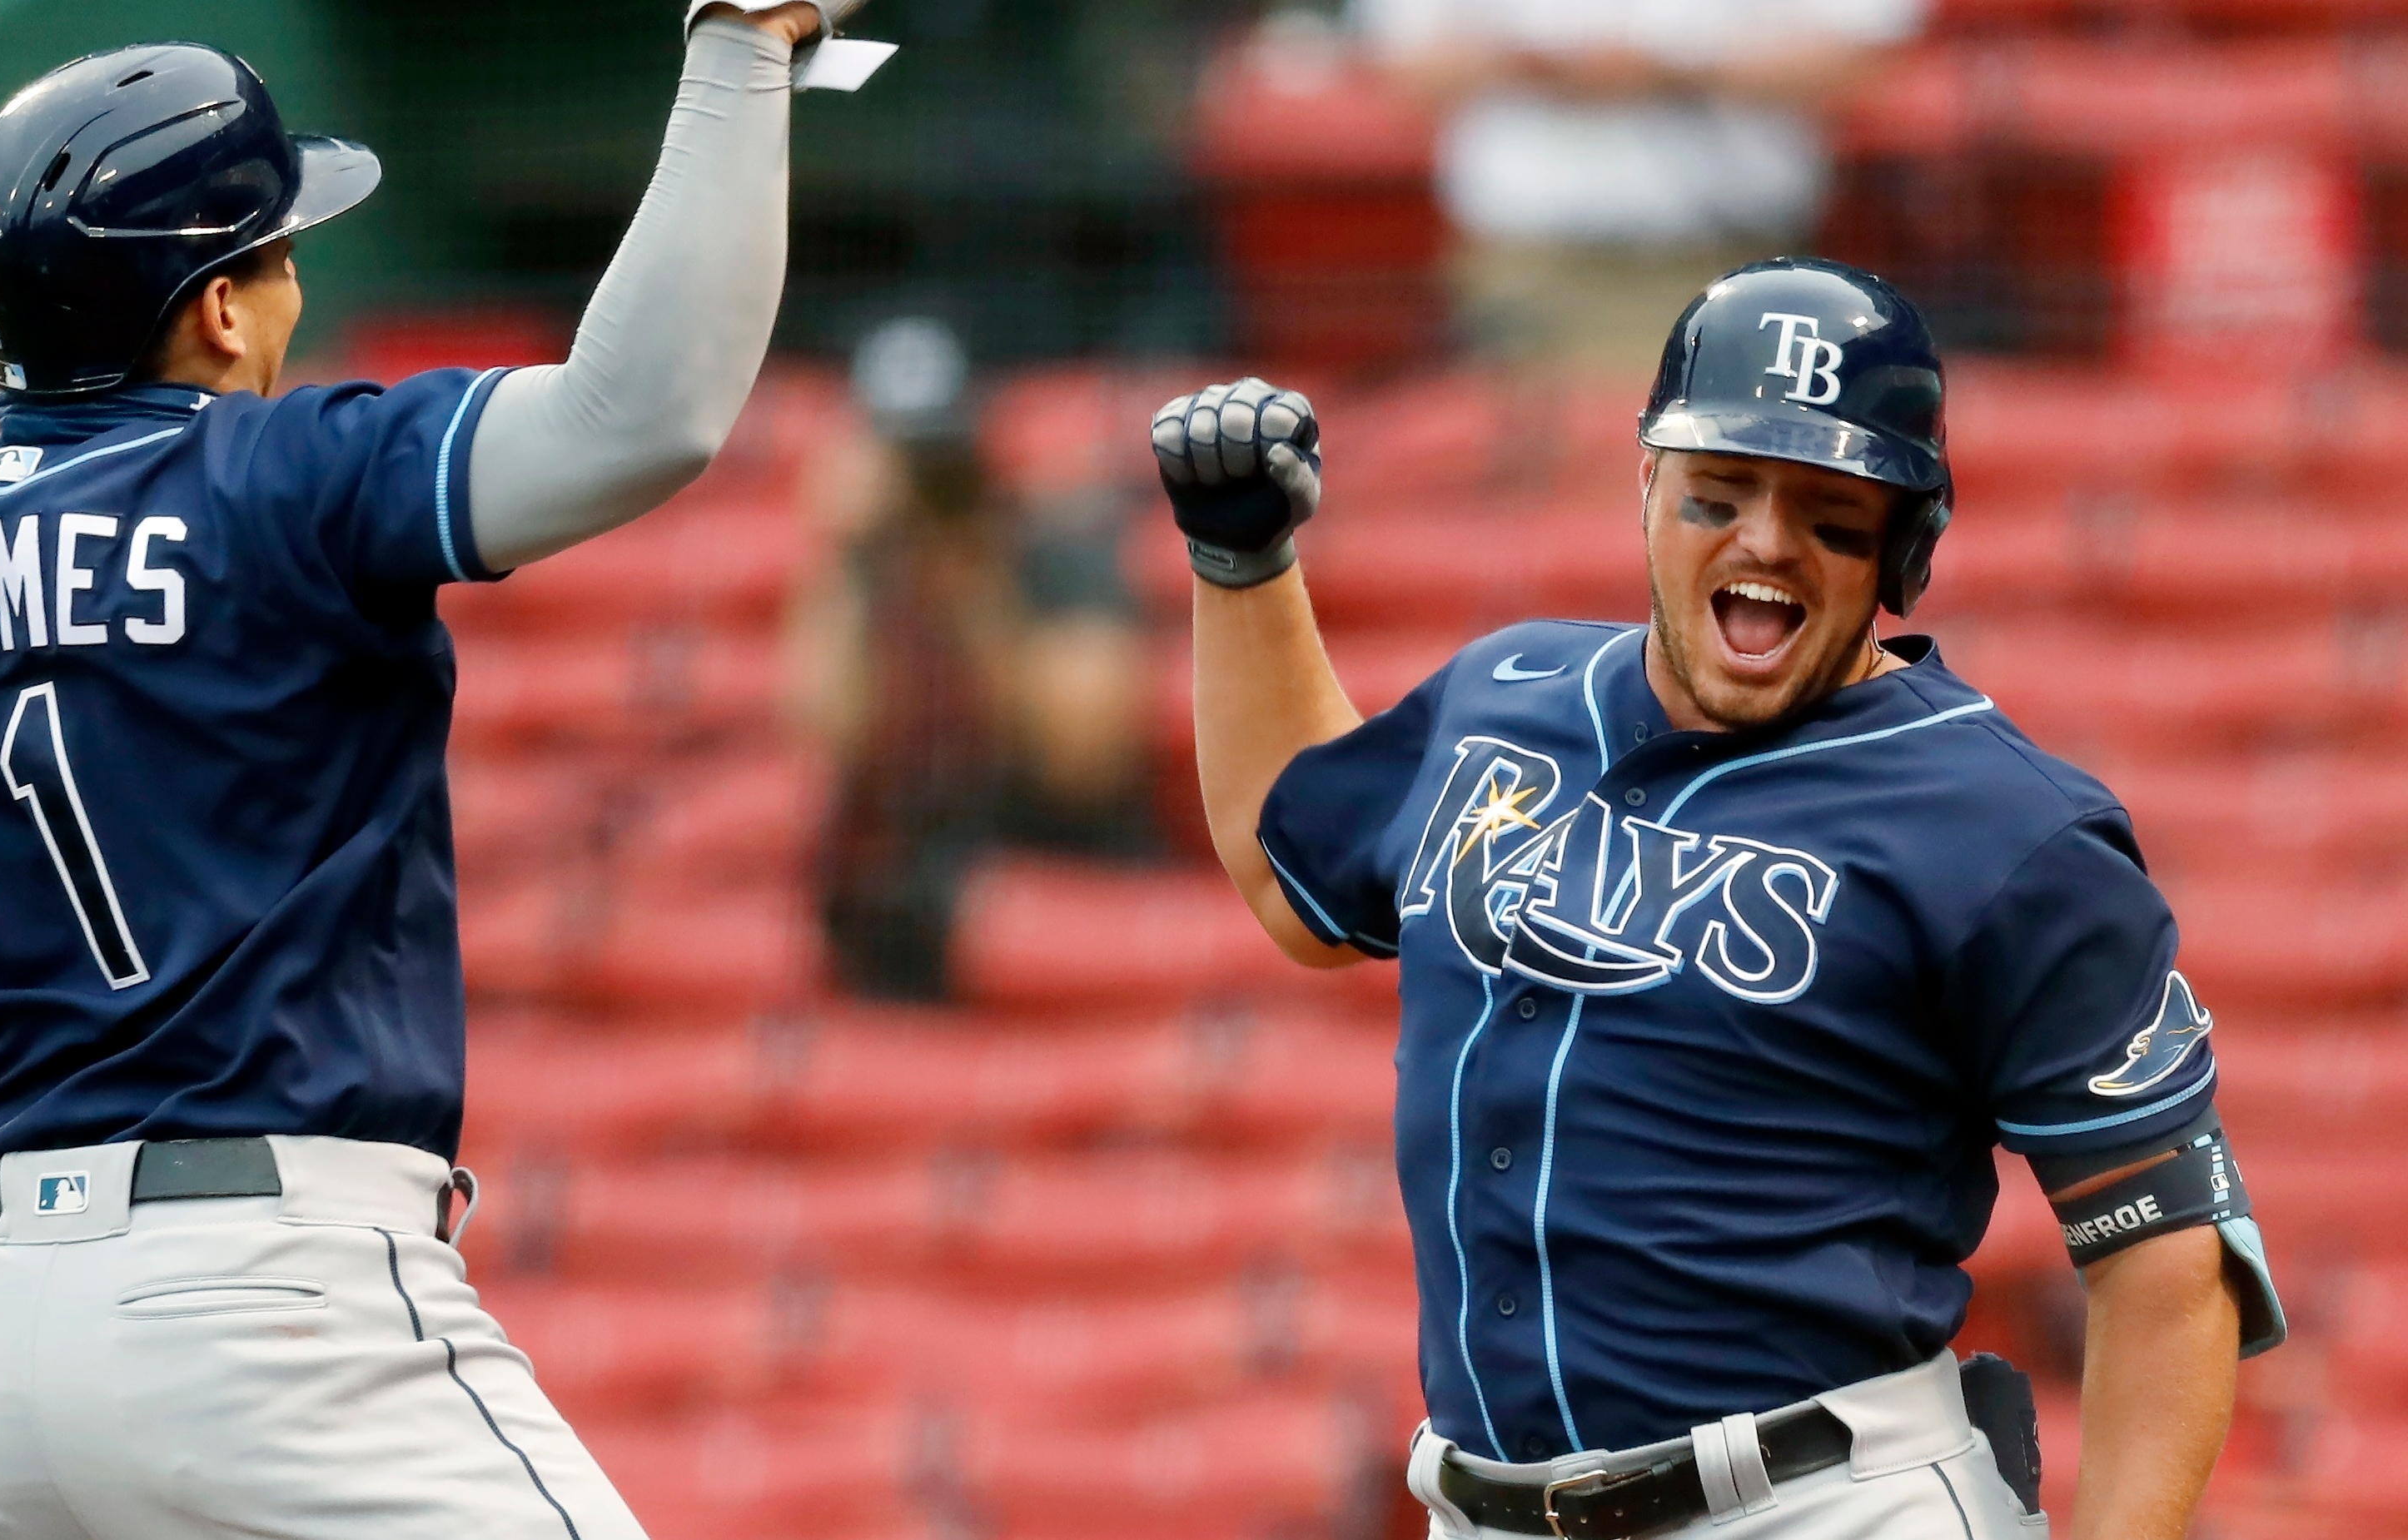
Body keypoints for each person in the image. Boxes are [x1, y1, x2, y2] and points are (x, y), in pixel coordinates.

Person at [0, 3, 878, 1535]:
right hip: (273, 1317)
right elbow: (638, 412)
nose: (295, 285)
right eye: (279, 253)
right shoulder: (281, 480)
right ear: (221, 311)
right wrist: (745, 48)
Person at [1151, 258, 2285, 1540]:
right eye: (1721, 491)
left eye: (1825, 506)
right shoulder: (1504, 695)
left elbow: (2167, 1261)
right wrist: (1242, 558)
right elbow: (1287, 870)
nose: (1763, 538)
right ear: (1646, 489)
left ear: (1906, 543)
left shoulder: (2008, 827)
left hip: (1819, 1506)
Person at [793, 317, 1153, 1000]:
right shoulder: (863, 573)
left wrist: (973, 588)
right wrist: (846, 560)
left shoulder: (1053, 549)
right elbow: (832, 730)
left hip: (1059, 874)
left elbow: (1083, 753)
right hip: (919, 891)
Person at [1351, 0, 1925, 370]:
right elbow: (1408, 62)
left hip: (1735, 258)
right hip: (1532, 264)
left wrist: (1671, 69)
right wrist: (1553, 67)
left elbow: (1859, 58)